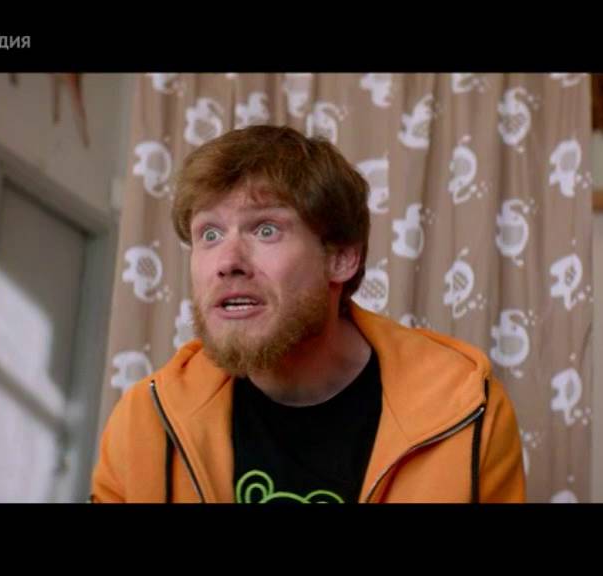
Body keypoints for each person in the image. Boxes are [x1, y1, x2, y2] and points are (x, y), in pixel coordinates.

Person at [91, 125, 525, 503]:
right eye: (209, 233)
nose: (227, 261)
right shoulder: (144, 422)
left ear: (341, 258)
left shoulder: (468, 410)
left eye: (266, 229)